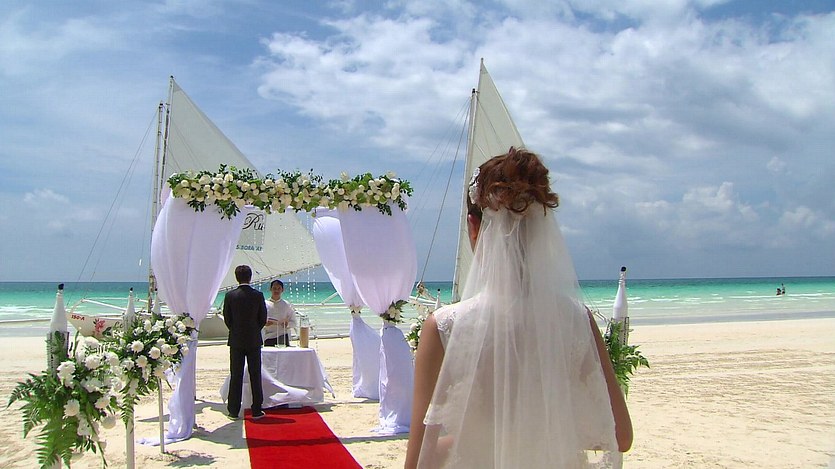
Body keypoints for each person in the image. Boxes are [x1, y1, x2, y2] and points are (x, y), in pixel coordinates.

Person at [405, 148, 633, 468]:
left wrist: (477, 439)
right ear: (542, 230)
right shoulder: (575, 320)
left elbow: (418, 459)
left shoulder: (444, 326)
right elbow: (620, 436)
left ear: (473, 226)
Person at [224, 265, 268, 420]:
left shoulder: (230, 295)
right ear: (250, 277)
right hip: (254, 339)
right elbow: (262, 318)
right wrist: (254, 330)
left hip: (236, 339)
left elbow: (227, 318)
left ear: (236, 277)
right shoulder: (258, 295)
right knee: (255, 374)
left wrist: (236, 330)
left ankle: (233, 410)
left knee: (236, 374)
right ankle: (257, 409)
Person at [264, 279, 297, 346]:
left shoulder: (287, 305)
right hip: (268, 337)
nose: (276, 291)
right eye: (274, 288)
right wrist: (264, 323)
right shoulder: (264, 304)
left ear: (282, 290)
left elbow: (294, 323)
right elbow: (258, 321)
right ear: (270, 289)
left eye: (279, 288)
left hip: (283, 336)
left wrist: (287, 324)